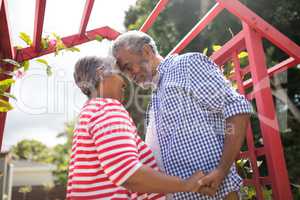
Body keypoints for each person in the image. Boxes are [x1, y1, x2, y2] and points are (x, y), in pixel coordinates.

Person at [112, 31, 253, 200]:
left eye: (128, 67)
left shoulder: (186, 64)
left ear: (147, 51)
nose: (129, 75)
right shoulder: (154, 100)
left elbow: (236, 108)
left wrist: (221, 171)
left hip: (216, 194)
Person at [66, 56, 205, 199]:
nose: (125, 82)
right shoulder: (107, 109)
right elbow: (128, 173)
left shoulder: (88, 114)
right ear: (101, 73)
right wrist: (187, 185)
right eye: (119, 73)